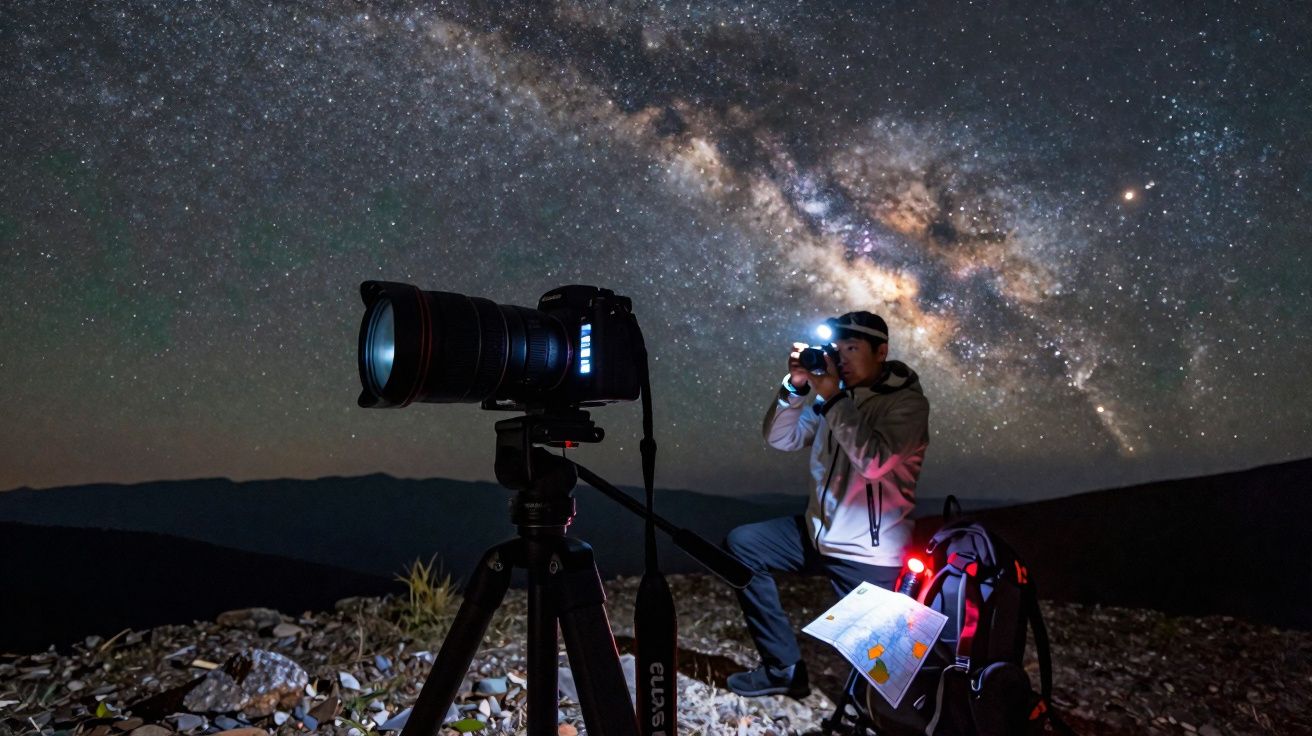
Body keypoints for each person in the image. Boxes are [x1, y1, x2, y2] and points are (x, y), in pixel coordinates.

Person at [723, 311, 931, 698]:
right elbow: (780, 439)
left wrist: (833, 396)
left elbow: (873, 462)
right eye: (837, 350)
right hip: (816, 534)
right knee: (744, 544)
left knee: (885, 685)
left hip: (868, 553)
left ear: (881, 351)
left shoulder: (907, 405)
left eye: (852, 348)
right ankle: (782, 668)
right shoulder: (834, 398)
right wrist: (796, 387)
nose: (843, 358)